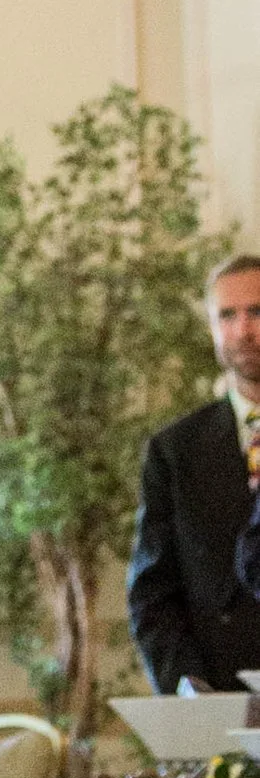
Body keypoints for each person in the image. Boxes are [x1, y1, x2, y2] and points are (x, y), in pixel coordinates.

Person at [127, 254, 260, 699]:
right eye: (228, 315)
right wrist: (188, 689)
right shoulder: (175, 450)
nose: (243, 330)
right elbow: (153, 592)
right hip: (218, 701)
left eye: (257, 311)